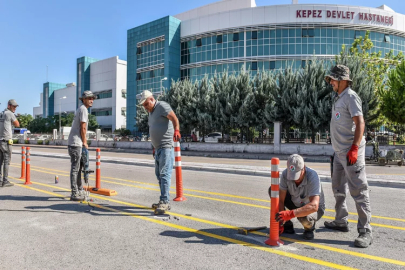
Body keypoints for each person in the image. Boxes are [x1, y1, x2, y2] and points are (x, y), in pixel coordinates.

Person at [324, 65, 372, 248]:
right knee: (338, 188)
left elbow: (360, 122)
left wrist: (354, 148)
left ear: (342, 80)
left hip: (351, 152)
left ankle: (365, 230)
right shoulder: (339, 97)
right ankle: (340, 221)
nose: (331, 83)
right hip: (338, 153)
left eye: (333, 80)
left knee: (359, 191)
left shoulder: (351, 96)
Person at [139, 90, 181, 215]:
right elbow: (154, 129)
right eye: (143, 106)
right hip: (158, 148)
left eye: (146, 104)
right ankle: (163, 199)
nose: (145, 108)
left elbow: (174, 118)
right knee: (159, 175)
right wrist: (154, 146)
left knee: (164, 174)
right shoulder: (151, 113)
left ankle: (165, 202)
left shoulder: (162, 106)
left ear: (152, 99)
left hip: (166, 147)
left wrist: (177, 130)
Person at [272, 154, 325, 240]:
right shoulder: (285, 174)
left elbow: (314, 206)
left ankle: (309, 228)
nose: (294, 179)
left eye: (297, 175)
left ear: (303, 168)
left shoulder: (313, 176)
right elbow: (281, 200)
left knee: (303, 216)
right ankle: (287, 225)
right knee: (273, 192)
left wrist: (290, 214)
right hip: (296, 202)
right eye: (291, 175)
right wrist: (281, 221)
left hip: (314, 208)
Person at [67, 91, 96, 201]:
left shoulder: (81, 109)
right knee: (75, 169)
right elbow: (83, 127)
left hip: (74, 143)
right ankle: (74, 193)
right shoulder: (83, 109)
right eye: (89, 98)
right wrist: (85, 142)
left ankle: (79, 189)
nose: (91, 100)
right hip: (76, 143)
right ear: (83, 99)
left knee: (78, 169)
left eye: (92, 98)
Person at [0, 99, 20, 187]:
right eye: (13, 106)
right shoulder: (9, 113)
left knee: (0, 161)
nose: (15, 108)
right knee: (7, 161)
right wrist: (15, 117)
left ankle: (0, 180)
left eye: (15, 107)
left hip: (0, 140)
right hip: (6, 141)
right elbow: (17, 124)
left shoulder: (2, 113)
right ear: (9, 106)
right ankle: (5, 181)